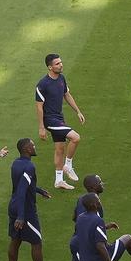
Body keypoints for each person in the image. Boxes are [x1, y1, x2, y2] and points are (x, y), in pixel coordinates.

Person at [6, 138, 59, 261]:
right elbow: (22, 191)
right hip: (26, 210)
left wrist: (39, 190)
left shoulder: (16, 163)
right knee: (36, 242)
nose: (35, 147)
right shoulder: (29, 166)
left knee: (15, 240)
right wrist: (22, 216)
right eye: (32, 145)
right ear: (27, 149)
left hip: (13, 206)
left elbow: (22, 186)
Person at [35, 53, 86, 189]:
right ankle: (68, 165)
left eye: (61, 62)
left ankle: (59, 181)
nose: (61, 65)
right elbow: (39, 107)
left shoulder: (61, 78)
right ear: (50, 67)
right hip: (50, 120)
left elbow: (67, 95)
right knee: (75, 138)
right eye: (57, 63)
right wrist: (41, 127)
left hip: (59, 118)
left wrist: (78, 111)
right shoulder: (42, 84)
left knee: (60, 149)